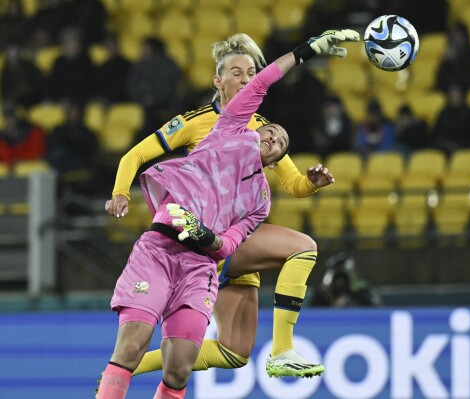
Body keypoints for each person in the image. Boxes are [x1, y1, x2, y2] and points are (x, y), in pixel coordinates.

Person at [100, 30, 357, 395]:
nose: (246, 78)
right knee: (303, 247)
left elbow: (293, 185)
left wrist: (311, 184)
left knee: (232, 353)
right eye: (237, 72)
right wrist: (120, 193)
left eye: (251, 72)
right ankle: (282, 348)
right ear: (217, 80)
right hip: (177, 234)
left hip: (219, 242)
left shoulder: (260, 186)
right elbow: (135, 155)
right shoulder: (224, 123)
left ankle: (130, 366)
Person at [0, 103, 46, 167]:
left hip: (33, 165)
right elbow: (5, 156)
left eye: (13, 117)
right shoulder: (2, 137)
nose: (10, 121)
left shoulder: (34, 130)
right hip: (11, 169)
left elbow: (37, 152)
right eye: (7, 118)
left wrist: (21, 159)